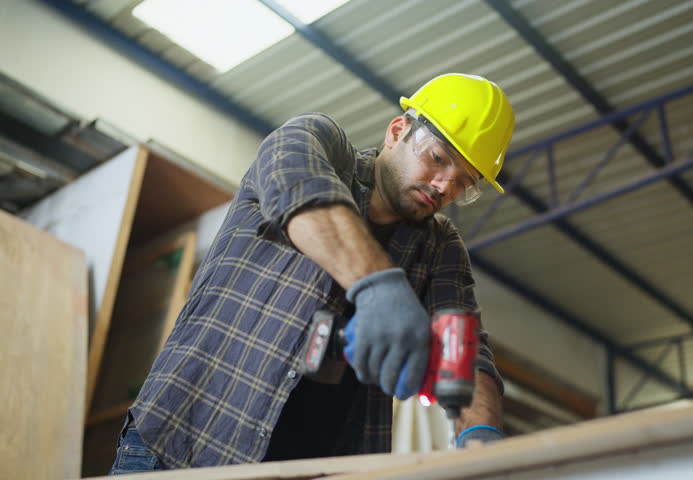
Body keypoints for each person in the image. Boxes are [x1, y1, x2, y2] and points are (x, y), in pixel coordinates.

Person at [108, 73, 515, 474]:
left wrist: (481, 439)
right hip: (182, 445)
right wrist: (379, 288)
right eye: (438, 158)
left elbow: (463, 353)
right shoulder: (317, 142)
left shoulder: (440, 246)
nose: (444, 186)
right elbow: (301, 192)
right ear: (397, 131)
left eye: (464, 183)